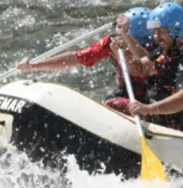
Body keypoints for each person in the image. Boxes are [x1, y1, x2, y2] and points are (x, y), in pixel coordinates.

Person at [16, 7, 153, 114]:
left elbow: (140, 71)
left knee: (116, 104)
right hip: (128, 96)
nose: (120, 39)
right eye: (121, 34)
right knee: (112, 103)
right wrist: (34, 65)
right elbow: (76, 58)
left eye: (125, 36)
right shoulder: (113, 42)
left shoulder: (157, 47)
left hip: (154, 100)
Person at [121, 2, 183, 136]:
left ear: (176, 28)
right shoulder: (169, 48)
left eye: (160, 32)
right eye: (154, 32)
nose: (156, 37)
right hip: (173, 119)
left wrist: (148, 109)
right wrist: (125, 46)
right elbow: (141, 69)